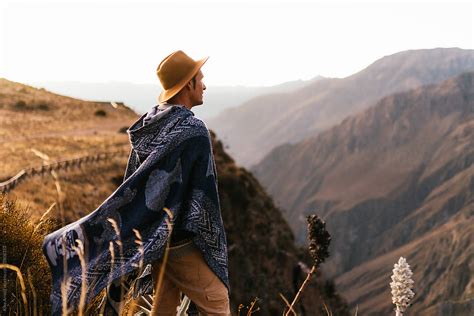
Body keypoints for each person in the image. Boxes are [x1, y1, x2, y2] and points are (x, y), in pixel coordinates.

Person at [42, 51, 230, 316]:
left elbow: (134, 182)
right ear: (188, 84)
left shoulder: (149, 125)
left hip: (156, 238)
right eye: (201, 79)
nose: (205, 85)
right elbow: (202, 196)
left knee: (163, 308)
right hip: (182, 242)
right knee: (218, 304)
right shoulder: (194, 131)